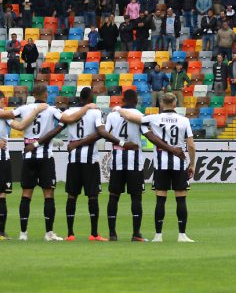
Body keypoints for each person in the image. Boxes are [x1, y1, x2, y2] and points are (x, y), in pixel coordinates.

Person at [13, 84, 95, 241]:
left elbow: (9, 115)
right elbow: (69, 119)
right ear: (45, 94)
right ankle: (49, 233)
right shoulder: (51, 110)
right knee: (48, 194)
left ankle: (23, 234)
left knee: (26, 194)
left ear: (33, 95)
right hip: (45, 157)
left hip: (28, 156)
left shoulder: (24, 109)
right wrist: (86, 107)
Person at [118, 93, 196, 242]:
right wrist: (192, 164)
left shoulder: (154, 118)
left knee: (160, 200)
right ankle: (182, 235)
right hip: (179, 163)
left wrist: (119, 109)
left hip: (161, 163)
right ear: (175, 104)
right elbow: (191, 145)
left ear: (161, 104)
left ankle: (158, 235)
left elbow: (131, 117)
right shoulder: (184, 120)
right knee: (181, 199)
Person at [62, 87, 128, 241]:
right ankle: (94, 234)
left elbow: (60, 125)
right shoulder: (95, 112)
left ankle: (70, 234)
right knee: (92, 196)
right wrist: (122, 143)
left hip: (73, 159)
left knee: (72, 196)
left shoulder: (70, 112)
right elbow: (101, 132)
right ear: (90, 98)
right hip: (90, 159)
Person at [0, 93, 48, 239]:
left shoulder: (5, 116)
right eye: (2, 101)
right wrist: (36, 110)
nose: (3, 104)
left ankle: (1, 232)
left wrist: (35, 112)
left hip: (3, 158)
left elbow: (20, 126)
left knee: (2, 195)